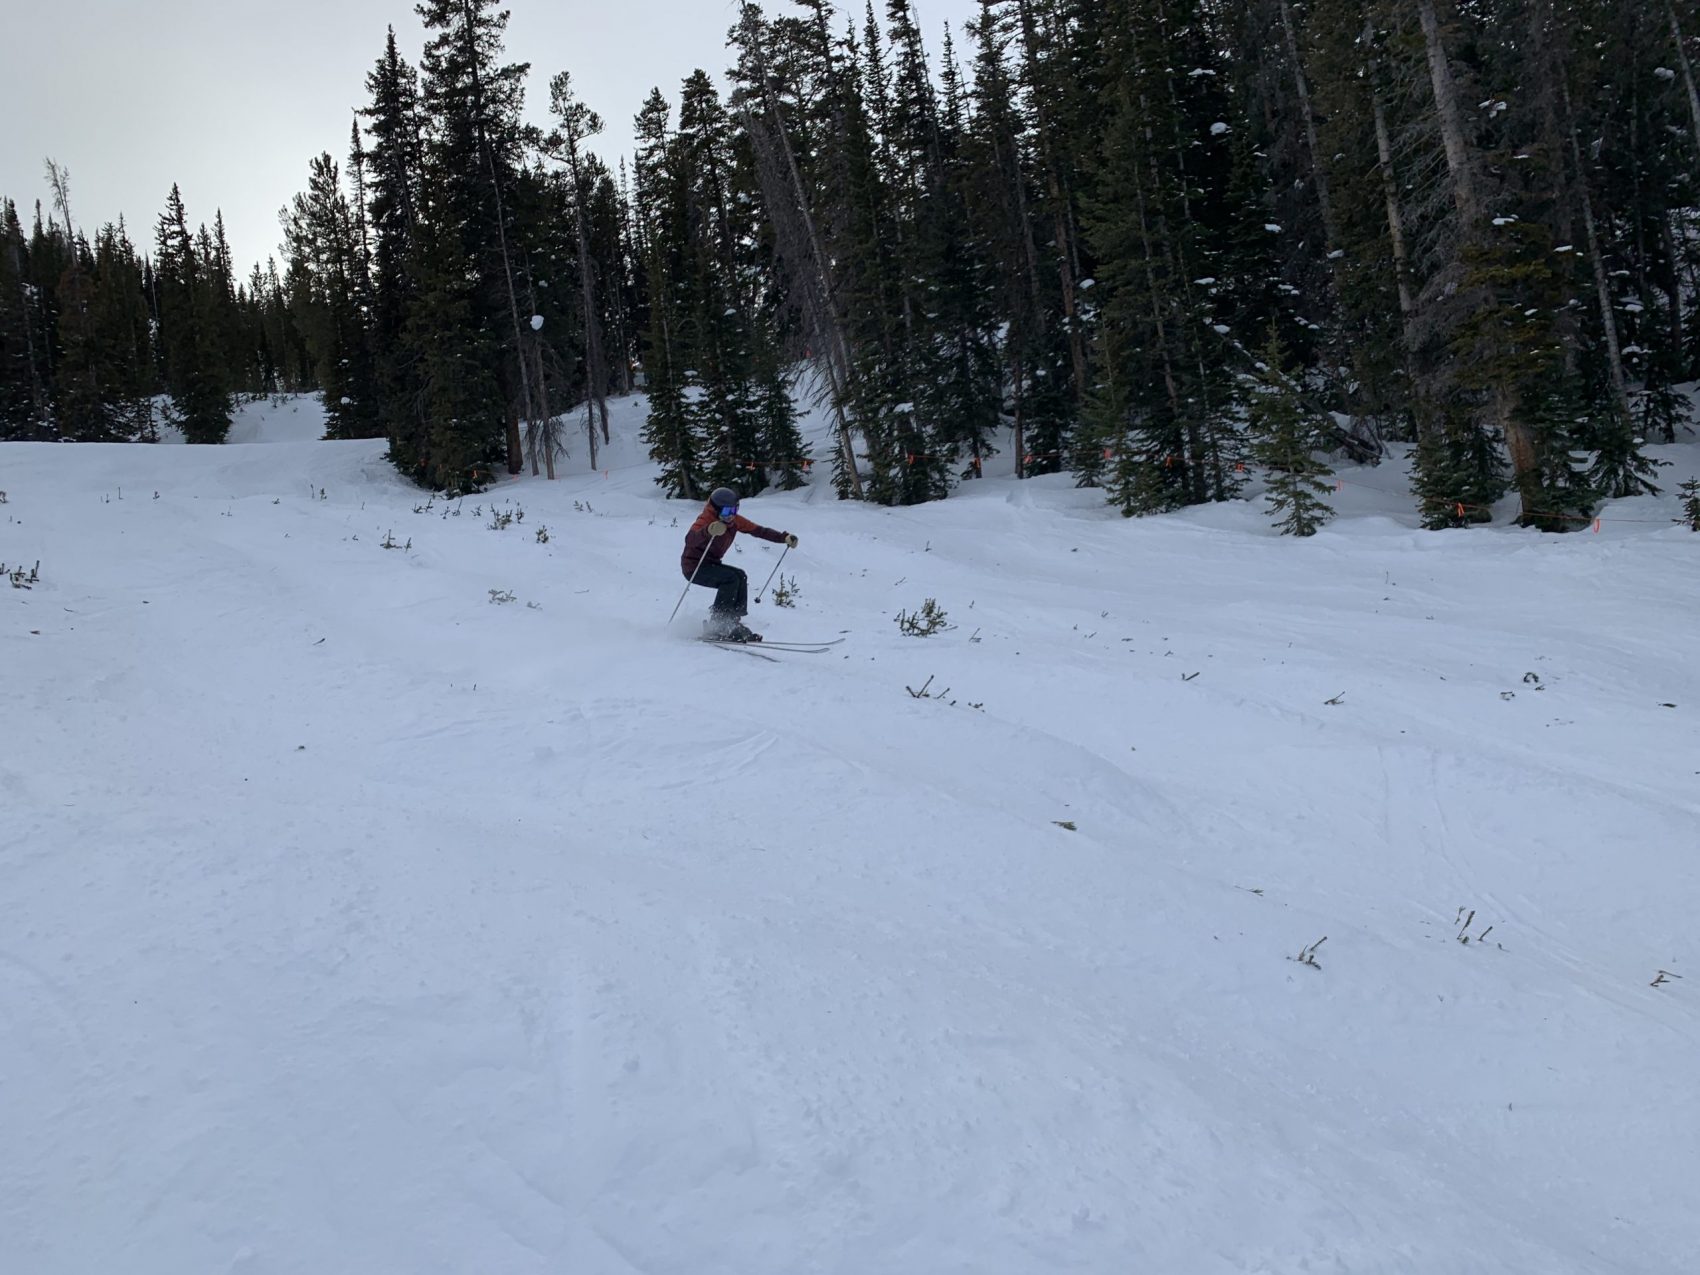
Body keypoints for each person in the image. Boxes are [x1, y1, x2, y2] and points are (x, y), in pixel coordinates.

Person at [681, 486, 798, 642]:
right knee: (729, 579)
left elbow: (759, 530)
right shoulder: (706, 520)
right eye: (726, 512)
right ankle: (718, 624)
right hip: (694, 567)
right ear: (715, 510)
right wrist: (708, 531)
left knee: (740, 576)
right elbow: (690, 539)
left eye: (734, 511)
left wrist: (783, 538)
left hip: (712, 564)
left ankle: (732, 623)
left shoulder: (734, 521)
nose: (730, 516)